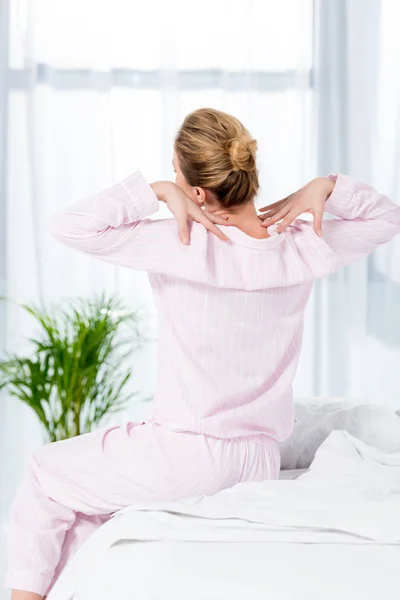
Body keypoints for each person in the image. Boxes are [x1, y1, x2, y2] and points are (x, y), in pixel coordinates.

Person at [6, 108, 400, 600]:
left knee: (45, 476)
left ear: (196, 191)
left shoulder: (181, 241)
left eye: (176, 174)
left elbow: (70, 226)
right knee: (86, 507)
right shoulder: (300, 247)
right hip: (258, 459)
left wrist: (153, 192)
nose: (171, 183)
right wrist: (323, 187)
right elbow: (385, 217)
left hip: (187, 454)